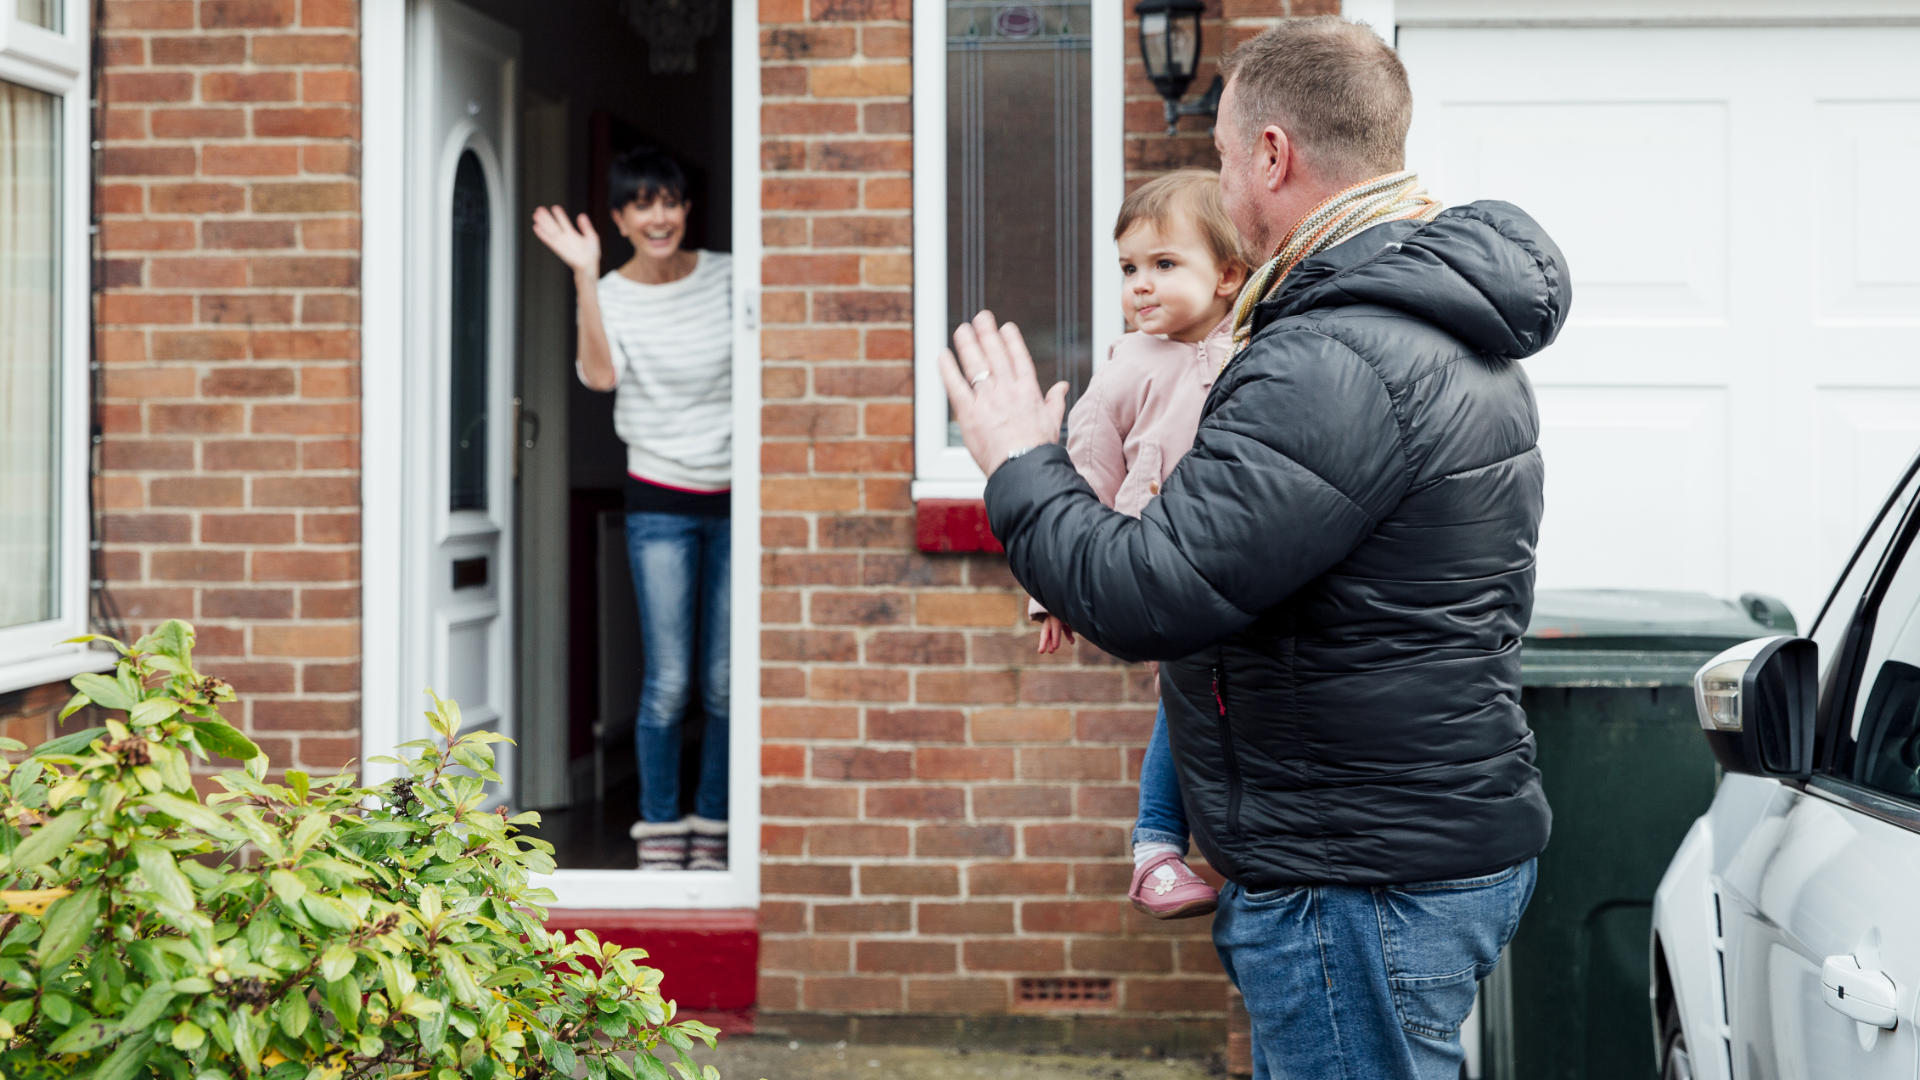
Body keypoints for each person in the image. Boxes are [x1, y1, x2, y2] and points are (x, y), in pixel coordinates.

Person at [939, 17, 1565, 1080]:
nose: (1222, 180)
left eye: (1225, 156)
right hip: (1397, 854)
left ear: (1273, 155)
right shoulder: (1416, 320)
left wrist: (1018, 464)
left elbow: (1152, 593)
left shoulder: (1335, 357)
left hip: (1356, 881)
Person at [1026, 169, 1248, 919]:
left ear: (1228, 273)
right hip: (1159, 566)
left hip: (1240, 563)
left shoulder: (1256, 345)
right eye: (1128, 269)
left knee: (1229, 701)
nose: (1140, 286)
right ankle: (1155, 850)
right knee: (1182, 703)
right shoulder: (1127, 367)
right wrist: (1054, 586)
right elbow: (1085, 472)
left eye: (1163, 264)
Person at [531, 147, 732, 873]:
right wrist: (584, 276)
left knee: (724, 679)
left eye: (669, 202)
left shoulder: (729, 276)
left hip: (738, 497)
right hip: (658, 500)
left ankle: (712, 823)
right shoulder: (610, 290)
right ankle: (658, 830)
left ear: (685, 209)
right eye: (641, 204)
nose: (659, 217)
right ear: (619, 218)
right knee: (671, 679)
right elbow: (600, 375)